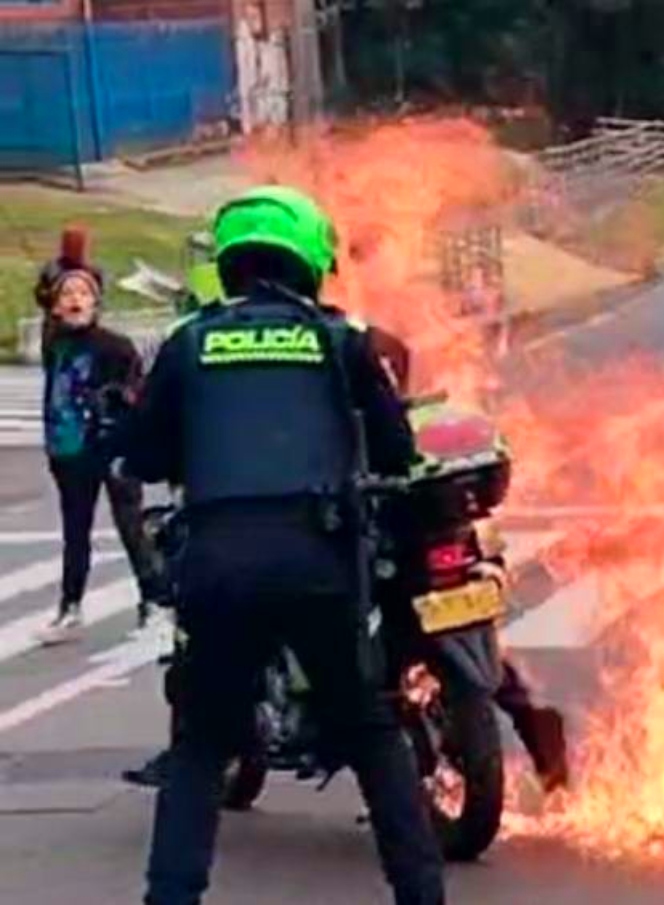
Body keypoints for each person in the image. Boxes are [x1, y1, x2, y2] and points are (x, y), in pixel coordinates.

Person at [121, 185, 445, 905]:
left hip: (218, 565)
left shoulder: (192, 342)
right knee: (370, 731)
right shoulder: (337, 338)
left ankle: (169, 897)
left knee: (201, 746)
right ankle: (421, 894)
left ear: (229, 260)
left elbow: (140, 456)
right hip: (317, 562)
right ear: (311, 259)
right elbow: (396, 449)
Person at [37, 268, 165, 645]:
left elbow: (136, 392)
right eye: (66, 294)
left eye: (83, 293)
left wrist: (122, 410)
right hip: (69, 449)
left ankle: (153, 601)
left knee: (131, 525)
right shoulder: (54, 344)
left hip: (111, 447)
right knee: (75, 531)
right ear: (55, 307)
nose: (75, 299)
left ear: (97, 302)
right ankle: (70, 606)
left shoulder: (115, 346)